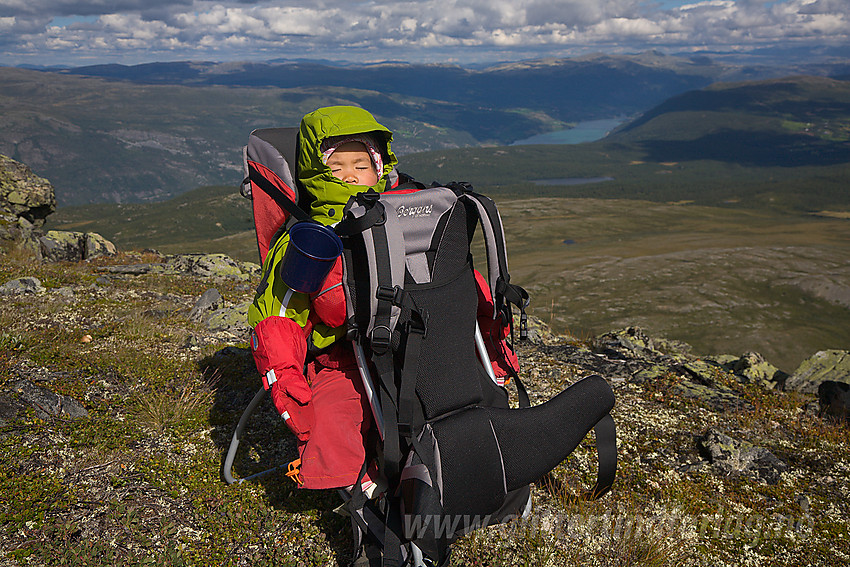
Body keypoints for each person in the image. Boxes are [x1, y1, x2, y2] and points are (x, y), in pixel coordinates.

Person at [247, 105, 519, 494]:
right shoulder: (310, 240)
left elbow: (458, 286)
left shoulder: (406, 219)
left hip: (415, 345)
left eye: (361, 164)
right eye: (335, 166)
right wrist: (286, 377)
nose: (350, 175)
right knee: (333, 425)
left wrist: (493, 348)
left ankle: (450, 467)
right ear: (316, 172)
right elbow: (279, 315)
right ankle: (363, 491)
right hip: (343, 358)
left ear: (380, 167)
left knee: (455, 403)